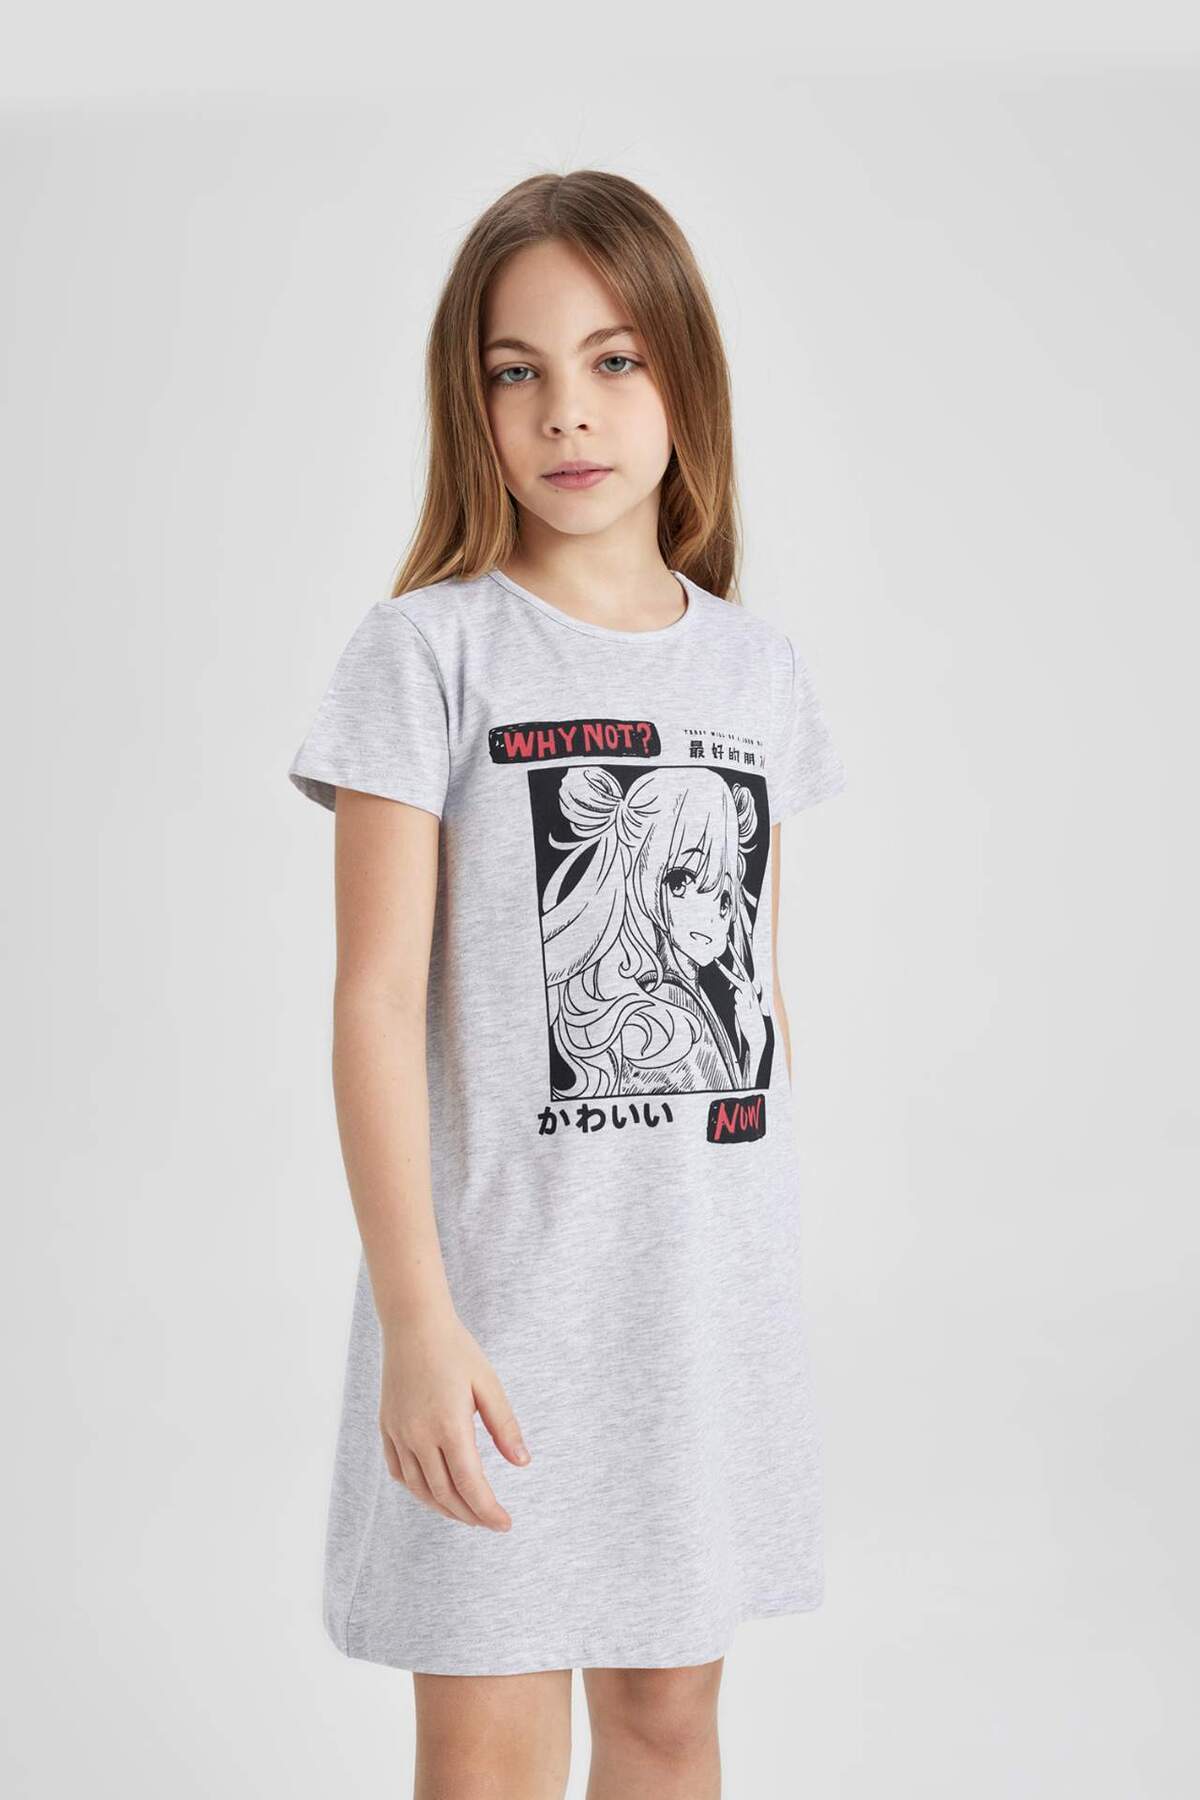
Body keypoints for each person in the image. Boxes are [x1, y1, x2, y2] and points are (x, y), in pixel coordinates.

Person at [287, 167, 848, 1800]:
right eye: (515, 371)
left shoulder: (755, 668)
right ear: (470, 405)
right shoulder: (428, 651)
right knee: (487, 1748)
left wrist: (754, 1258)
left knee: (670, 1718)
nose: (567, 412)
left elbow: (754, 984)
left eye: (613, 360)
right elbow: (374, 1003)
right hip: (502, 1311)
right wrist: (416, 1318)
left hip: (697, 1308)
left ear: (684, 374)